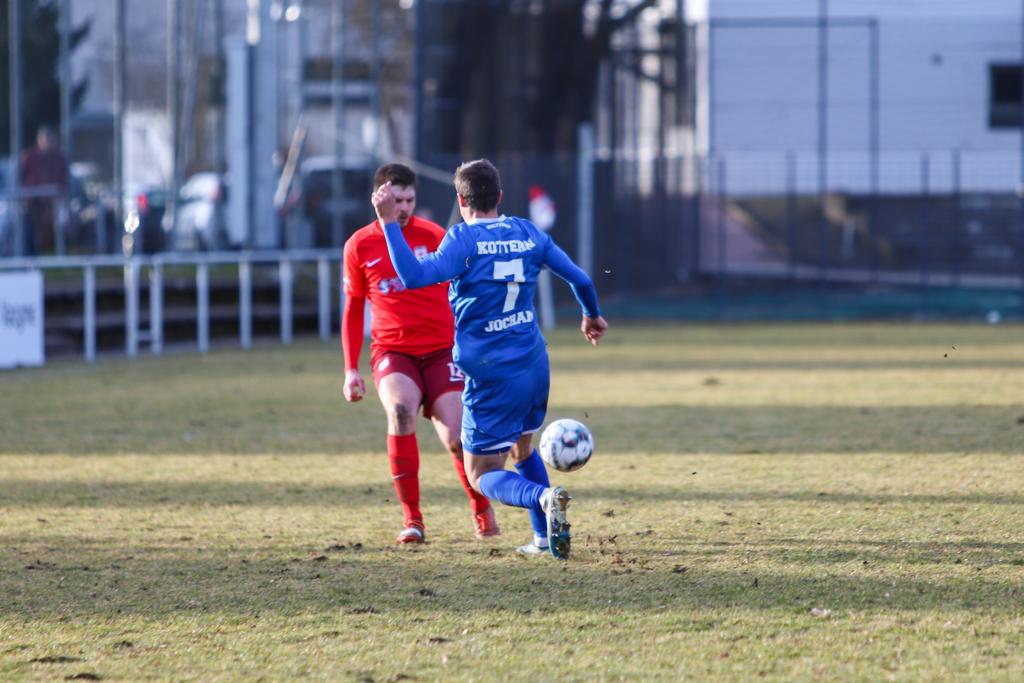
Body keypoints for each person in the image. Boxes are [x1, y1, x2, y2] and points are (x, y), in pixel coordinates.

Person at [374, 159, 608, 559]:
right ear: (499, 196)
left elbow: (412, 277)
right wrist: (591, 314)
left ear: (461, 200)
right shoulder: (527, 232)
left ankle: (543, 498)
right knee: (522, 447)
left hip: (491, 373)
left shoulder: (462, 239)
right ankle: (543, 539)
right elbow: (581, 279)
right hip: (534, 364)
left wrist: (387, 223)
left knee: (480, 474)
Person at [342, 162, 499, 544]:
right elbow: (353, 308)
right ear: (379, 199)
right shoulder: (359, 245)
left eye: (409, 200)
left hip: (443, 351)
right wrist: (350, 369)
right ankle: (413, 519)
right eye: (396, 200)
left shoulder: (434, 235)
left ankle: (481, 508)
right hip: (394, 352)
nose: (403, 208)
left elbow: (465, 290)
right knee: (400, 411)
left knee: (457, 438)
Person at [19, 126, 68, 256]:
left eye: (49, 139)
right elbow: (21, 178)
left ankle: (57, 254)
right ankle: (31, 255)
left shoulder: (58, 158)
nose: (47, 142)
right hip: (33, 201)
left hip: (52, 202)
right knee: (31, 231)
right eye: (44, 139)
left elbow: (63, 180)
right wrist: (25, 198)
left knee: (56, 229)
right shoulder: (29, 156)